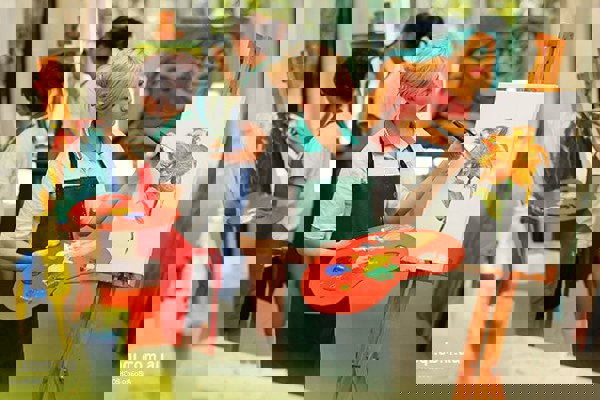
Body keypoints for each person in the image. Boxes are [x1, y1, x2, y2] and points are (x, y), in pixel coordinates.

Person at [277, 41, 465, 399]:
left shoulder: (412, 150)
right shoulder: (364, 149)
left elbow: (401, 218)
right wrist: (315, 244)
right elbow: (332, 208)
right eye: (427, 92)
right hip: (344, 268)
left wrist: (444, 172)